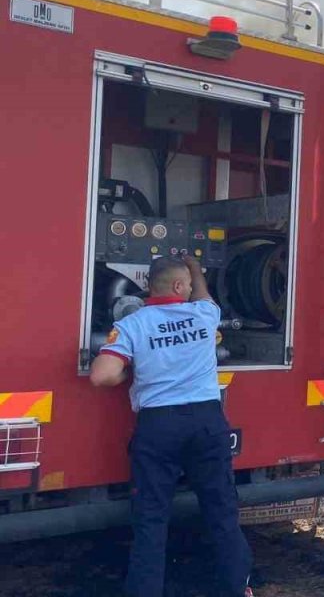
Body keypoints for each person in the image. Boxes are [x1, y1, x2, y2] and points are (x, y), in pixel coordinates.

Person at [90, 255, 253, 597]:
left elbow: (102, 375)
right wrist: (195, 268)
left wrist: (127, 372)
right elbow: (206, 296)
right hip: (207, 423)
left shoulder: (134, 324)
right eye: (189, 285)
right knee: (222, 513)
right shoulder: (205, 315)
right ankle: (236, 589)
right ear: (180, 287)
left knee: (151, 521)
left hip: (159, 427)